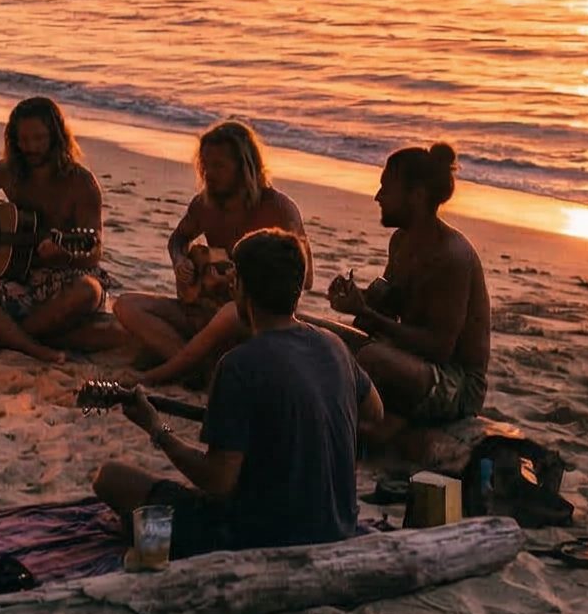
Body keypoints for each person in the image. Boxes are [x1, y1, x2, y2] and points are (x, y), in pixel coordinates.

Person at [93, 229, 378, 559]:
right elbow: (375, 412)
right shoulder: (334, 345)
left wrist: (158, 430)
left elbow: (217, 481)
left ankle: (158, 550)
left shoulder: (240, 364)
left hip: (253, 542)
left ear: (240, 287)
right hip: (337, 528)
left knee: (112, 479)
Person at [109, 121, 309, 386]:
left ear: (244, 167)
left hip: (249, 317)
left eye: (219, 166)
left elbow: (305, 279)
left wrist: (241, 282)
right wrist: (180, 260)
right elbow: (178, 239)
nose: (209, 174)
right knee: (125, 305)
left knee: (229, 312)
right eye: (205, 165)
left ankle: (164, 371)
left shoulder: (278, 209)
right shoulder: (205, 204)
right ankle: (196, 367)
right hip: (201, 309)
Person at [328, 142, 492, 443]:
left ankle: (390, 424)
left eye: (386, 189)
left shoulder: (450, 256)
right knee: (323, 337)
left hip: (456, 384)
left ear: (416, 196)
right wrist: (356, 299)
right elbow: (388, 307)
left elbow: (439, 348)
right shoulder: (401, 241)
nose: (378, 197)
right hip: (410, 358)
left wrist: (365, 312)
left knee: (371, 357)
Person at [0, 97, 111, 362]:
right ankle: (29, 344)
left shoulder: (81, 183)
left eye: (39, 138)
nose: (31, 147)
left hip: (65, 277)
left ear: (56, 136)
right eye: (23, 140)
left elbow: (94, 251)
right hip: (17, 276)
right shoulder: (9, 172)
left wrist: (64, 254)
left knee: (89, 291)